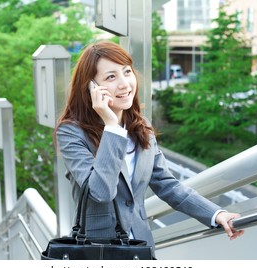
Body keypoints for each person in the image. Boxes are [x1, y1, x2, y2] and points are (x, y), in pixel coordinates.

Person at [54, 41, 244, 253]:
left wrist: (215, 214)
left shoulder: (141, 127)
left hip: (141, 249)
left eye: (127, 72)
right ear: (91, 88)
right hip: (98, 254)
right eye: (111, 77)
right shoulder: (71, 132)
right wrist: (111, 127)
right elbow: (100, 192)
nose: (125, 84)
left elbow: (168, 185)